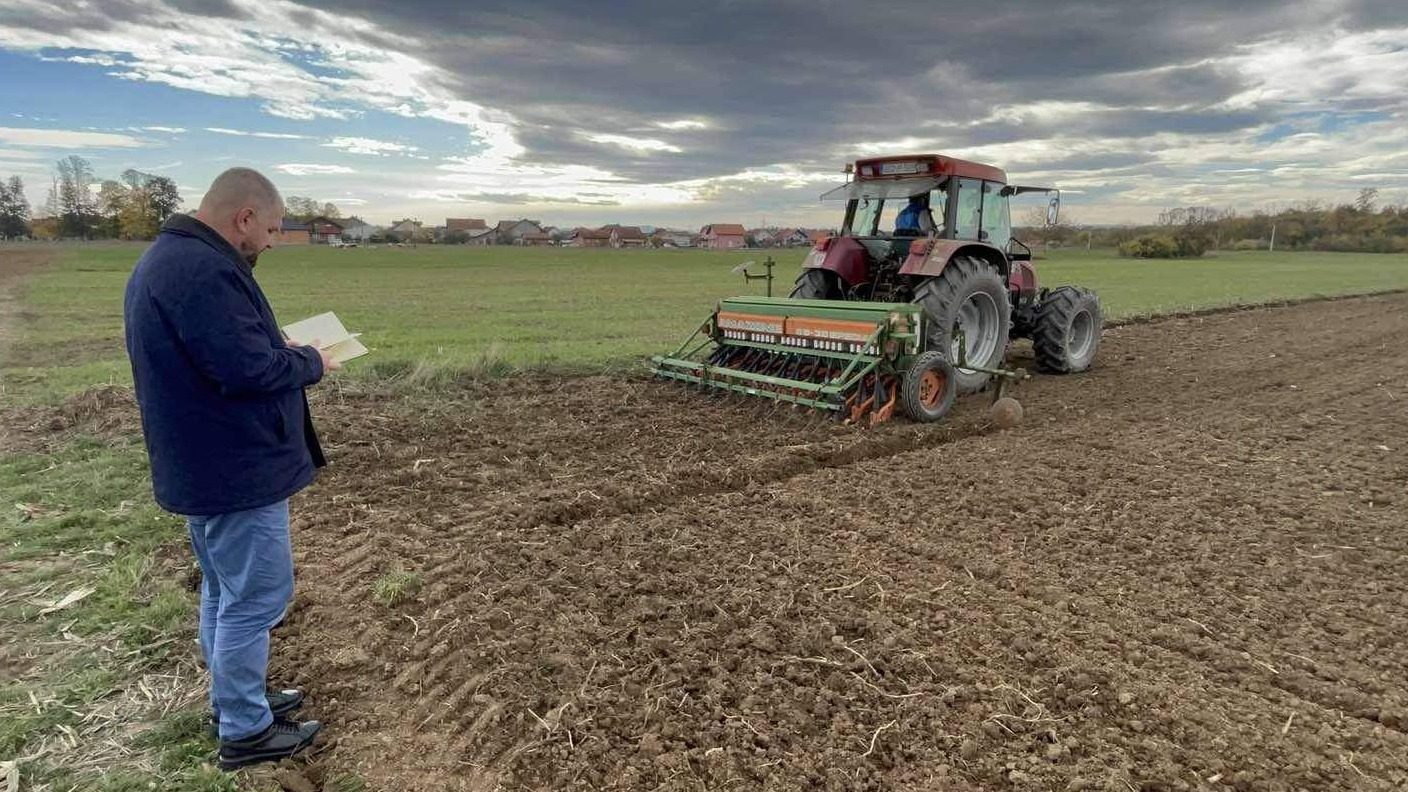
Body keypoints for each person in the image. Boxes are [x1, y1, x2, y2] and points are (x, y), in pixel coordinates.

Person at [123, 167, 338, 770]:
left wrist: (275, 349)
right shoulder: (203, 271)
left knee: (224, 589)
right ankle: (245, 730)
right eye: (271, 228)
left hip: (205, 461)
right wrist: (311, 361)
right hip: (233, 468)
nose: (272, 240)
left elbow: (225, 355)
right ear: (244, 217)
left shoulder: (172, 260)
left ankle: (233, 702)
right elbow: (247, 371)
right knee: (258, 595)